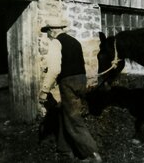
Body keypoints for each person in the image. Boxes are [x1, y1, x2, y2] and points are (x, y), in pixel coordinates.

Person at [39, 17, 102, 162]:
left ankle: (92, 154)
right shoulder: (74, 41)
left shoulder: (56, 42)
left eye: (47, 31)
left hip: (68, 83)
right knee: (64, 113)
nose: (47, 35)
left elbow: (55, 69)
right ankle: (64, 150)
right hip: (81, 80)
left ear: (53, 30)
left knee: (73, 119)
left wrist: (44, 91)